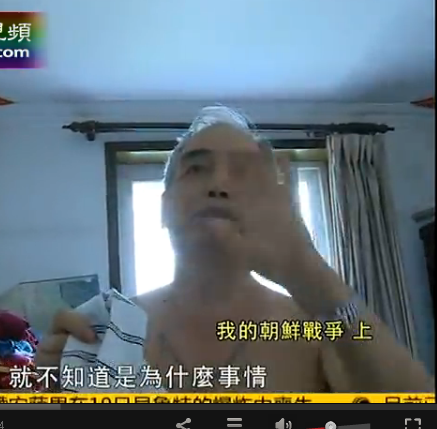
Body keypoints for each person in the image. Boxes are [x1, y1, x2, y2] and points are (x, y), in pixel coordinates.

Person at [36, 106, 435, 393]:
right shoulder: (107, 332)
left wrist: (308, 271)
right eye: (197, 168)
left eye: (243, 172)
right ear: (163, 207)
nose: (219, 185)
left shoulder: (319, 328)